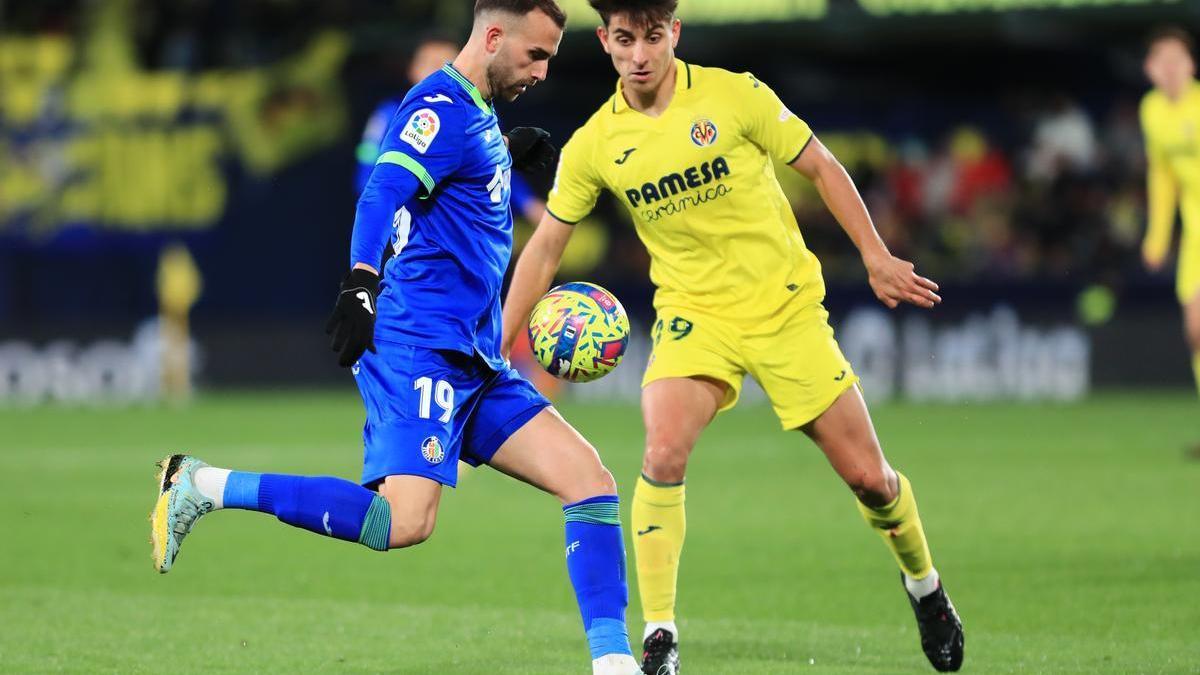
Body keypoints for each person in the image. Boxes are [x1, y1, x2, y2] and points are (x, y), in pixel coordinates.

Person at [151, 2, 640, 672]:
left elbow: (453, 191)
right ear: (493, 36)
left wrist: (502, 156)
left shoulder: (476, 111)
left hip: (473, 354)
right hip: (417, 343)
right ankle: (203, 484)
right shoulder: (439, 103)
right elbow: (381, 191)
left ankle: (613, 664)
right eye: (536, 54)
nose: (544, 70)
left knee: (590, 480)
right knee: (402, 522)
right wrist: (360, 281)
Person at [500, 1, 963, 672]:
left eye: (652, 37)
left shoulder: (734, 93)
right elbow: (543, 252)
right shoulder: (597, 142)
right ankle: (659, 632)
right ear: (605, 41)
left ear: (674, 34)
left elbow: (823, 166)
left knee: (871, 479)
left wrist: (875, 253)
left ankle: (925, 586)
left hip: (784, 310)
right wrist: (491, 348)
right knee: (661, 448)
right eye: (625, 40)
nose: (639, 54)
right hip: (695, 318)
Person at [354, 34, 546, 225]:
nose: (437, 72)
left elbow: (495, 166)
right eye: (429, 64)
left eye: (446, 64)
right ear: (413, 69)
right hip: (401, 225)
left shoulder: (478, 116)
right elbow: (367, 160)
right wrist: (379, 211)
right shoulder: (390, 111)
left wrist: (528, 203)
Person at [1140, 26, 1200, 418]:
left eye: (1177, 59)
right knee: (1196, 330)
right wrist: (1157, 237)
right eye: (1162, 61)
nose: (1170, 68)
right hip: (1196, 232)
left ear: (1191, 65)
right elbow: (1162, 176)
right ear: (1149, 68)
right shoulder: (1152, 110)